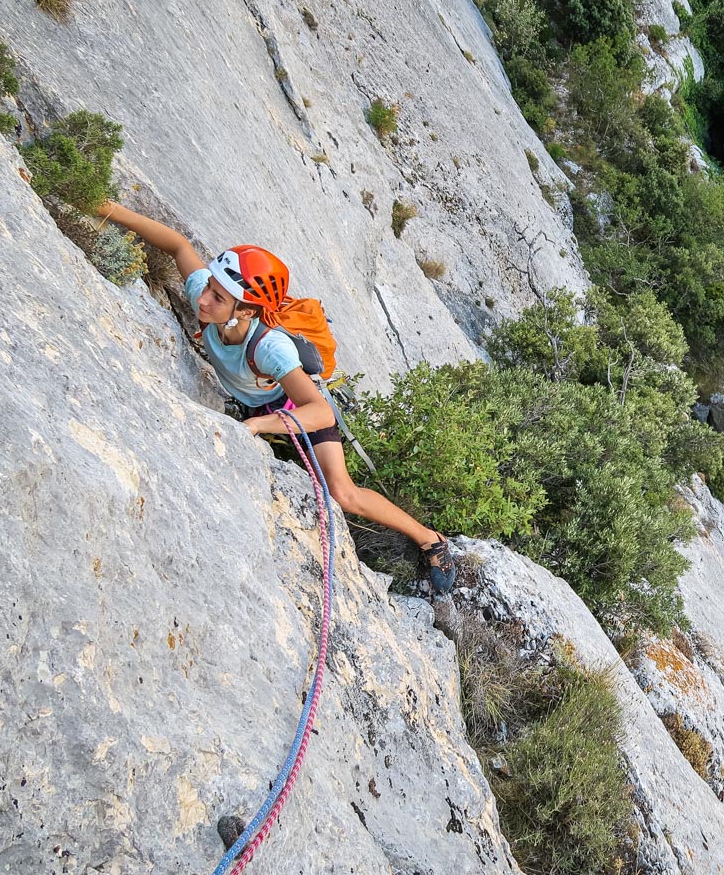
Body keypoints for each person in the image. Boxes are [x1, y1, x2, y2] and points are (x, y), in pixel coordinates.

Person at [96, 198, 456, 594]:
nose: (202, 299)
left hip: (289, 407)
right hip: (255, 402)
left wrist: (260, 425)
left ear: (246, 311)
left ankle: (429, 539)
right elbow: (178, 246)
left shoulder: (270, 349)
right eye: (210, 289)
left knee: (343, 492)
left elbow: (319, 412)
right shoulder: (212, 296)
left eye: (217, 298)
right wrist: (106, 209)